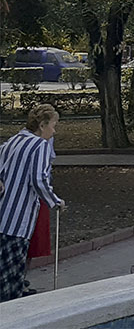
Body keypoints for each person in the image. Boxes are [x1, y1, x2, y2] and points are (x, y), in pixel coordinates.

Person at [0, 103, 64, 301]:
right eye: (53, 126)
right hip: (18, 219)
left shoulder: (14, 140)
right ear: (42, 125)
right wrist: (55, 201)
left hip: (3, 214)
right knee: (12, 277)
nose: (54, 132)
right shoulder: (40, 145)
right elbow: (38, 179)